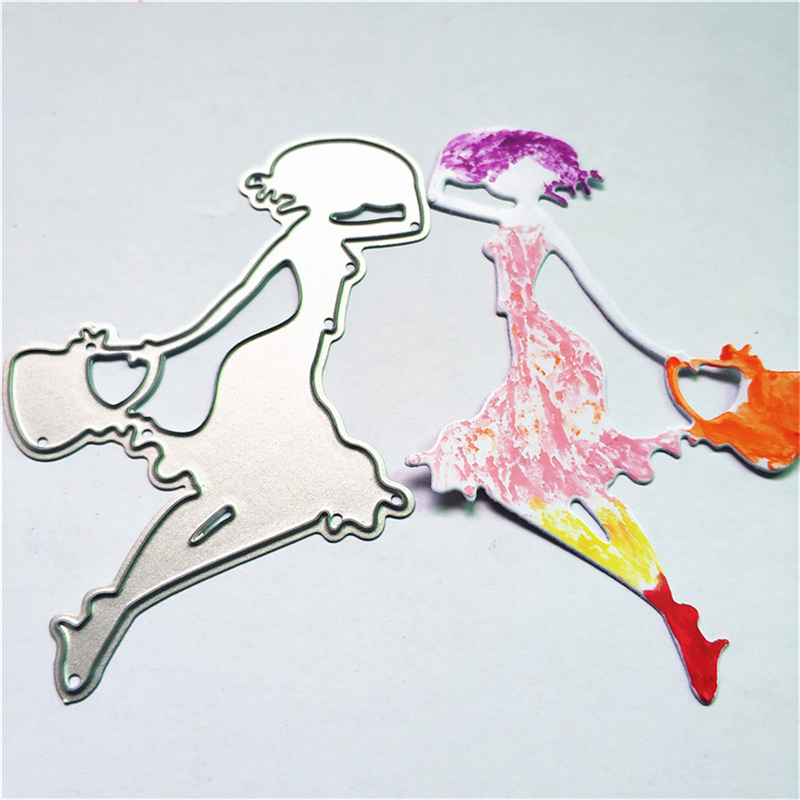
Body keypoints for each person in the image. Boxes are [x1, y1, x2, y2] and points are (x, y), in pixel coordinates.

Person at [5, 136, 429, 703]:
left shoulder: (315, 238)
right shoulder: (310, 241)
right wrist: (167, 352)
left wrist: (166, 350)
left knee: (243, 500)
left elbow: (407, 221)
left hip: (278, 374)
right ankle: (114, 610)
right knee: (264, 496)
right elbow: (237, 310)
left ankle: (112, 612)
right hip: (267, 378)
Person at [407, 129, 727, 704]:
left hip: (556, 358)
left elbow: (601, 300)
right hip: (530, 355)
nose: (497, 178)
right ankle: (674, 612)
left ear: (538, 177)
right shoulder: (508, 219)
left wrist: (668, 357)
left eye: (510, 169)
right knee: (561, 482)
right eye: (496, 169)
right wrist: (453, 164)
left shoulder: (541, 226)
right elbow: (437, 195)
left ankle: (670, 608)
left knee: (557, 481)